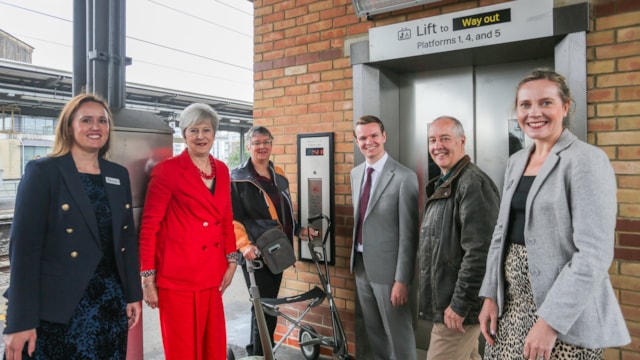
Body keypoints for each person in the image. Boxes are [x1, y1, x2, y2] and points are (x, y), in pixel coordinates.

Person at [478, 69, 631, 360]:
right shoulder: (516, 161)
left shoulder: (586, 160)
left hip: (563, 316)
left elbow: (594, 254)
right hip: (512, 307)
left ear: (565, 106)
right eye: (525, 105)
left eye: (546, 103)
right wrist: (490, 295)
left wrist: (550, 322)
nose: (534, 112)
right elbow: (500, 235)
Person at [3, 93, 142, 359]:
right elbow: (24, 251)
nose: (96, 127)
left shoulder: (117, 174)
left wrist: (132, 293)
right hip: (60, 308)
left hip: (109, 304)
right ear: (69, 126)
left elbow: (126, 242)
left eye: (102, 121)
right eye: (86, 120)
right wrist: (19, 321)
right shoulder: (44, 172)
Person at [138, 103, 237, 360]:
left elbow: (226, 218)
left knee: (213, 348)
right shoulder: (168, 171)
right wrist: (148, 279)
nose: (201, 136)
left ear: (215, 134)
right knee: (183, 351)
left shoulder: (223, 171)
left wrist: (231, 259)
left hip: (212, 275)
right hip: (178, 279)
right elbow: (149, 227)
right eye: (194, 130)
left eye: (206, 130)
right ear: (184, 134)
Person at [419, 116, 500, 360]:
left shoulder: (472, 184)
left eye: (445, 138)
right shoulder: (446, 183)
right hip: (448, 304)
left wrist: (459, 305)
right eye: (432, 140)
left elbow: (480, 252)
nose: (437, 146)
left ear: (462, 141)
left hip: (457, 307)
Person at [230, 126, 314, 356]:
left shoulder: (278, 174)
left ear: (271, 144)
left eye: (266, 142)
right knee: (263, 307)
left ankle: (257, 352)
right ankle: (262, 353)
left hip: (277, 250)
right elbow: (232, 218)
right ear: (248, 146)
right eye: (256, 142)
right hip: (256, 254)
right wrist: (245, 246)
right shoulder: (237, 179)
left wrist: (298, 230)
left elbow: (284, 212)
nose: (262, 147)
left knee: (267, 306)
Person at [349, 115, 418, 360]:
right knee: (374, 333)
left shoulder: (404, 177)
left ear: (384, 136)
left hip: (390, 272)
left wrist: (402, 279)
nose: (369, 142)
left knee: (399, 334)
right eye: (363, 138)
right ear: (357, 141)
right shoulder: (355, 174)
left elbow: (409, 236)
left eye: (374, 136)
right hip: (361, 266)